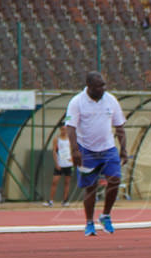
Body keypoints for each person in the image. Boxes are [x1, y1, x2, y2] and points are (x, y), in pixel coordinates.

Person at [66, 72, 127, 236]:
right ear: (89, 86)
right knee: (90, 188)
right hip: (86, 150)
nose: (103, 89)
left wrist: (124, 149)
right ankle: (89, 222)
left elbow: (119, 126)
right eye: (99, 86)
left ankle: (105, 215)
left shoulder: (111, 100)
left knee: (115, 180)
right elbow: (70, 127)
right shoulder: (77, 102)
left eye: (104, 85)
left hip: (108, 149)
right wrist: (75, 150)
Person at [44, 126, 74, 207]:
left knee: (67, 182)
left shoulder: (70, 139)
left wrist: (72, 159)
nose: (64, 131)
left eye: (66, 129)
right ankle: (51, 201)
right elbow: (54, 151)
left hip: (68, 164)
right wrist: (57, 163)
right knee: (55, 181)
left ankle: (65, 201)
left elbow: (72, 150)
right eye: (63, 129)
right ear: (60, 130)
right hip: (60, 163)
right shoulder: (56, 139)